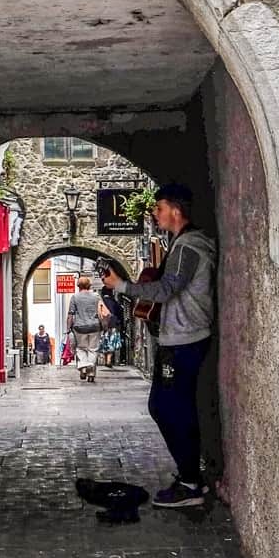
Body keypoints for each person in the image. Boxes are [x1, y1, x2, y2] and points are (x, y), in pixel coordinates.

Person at [101, 183, 216, 508]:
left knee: (169, 408)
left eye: (159, 208)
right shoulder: (183, 244)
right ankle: (190, 476)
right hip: (180, 338)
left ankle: (190, 481)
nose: (154, 213)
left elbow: (167, 289)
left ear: (175, 211)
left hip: (184, 339)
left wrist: (121, 284)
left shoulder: (188, 247)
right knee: (171, 407)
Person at [67, 274, 106, 383]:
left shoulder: (75, 297)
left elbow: (70, 314)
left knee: (81, 348)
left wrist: (68, 328)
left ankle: (83, 368)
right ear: (89, 286)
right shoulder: (96, 296)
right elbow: (102, 312)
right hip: (94, 326)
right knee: (93, 349)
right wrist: (104, 325)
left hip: (79, 327)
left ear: (78, 285)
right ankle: (91, 373)